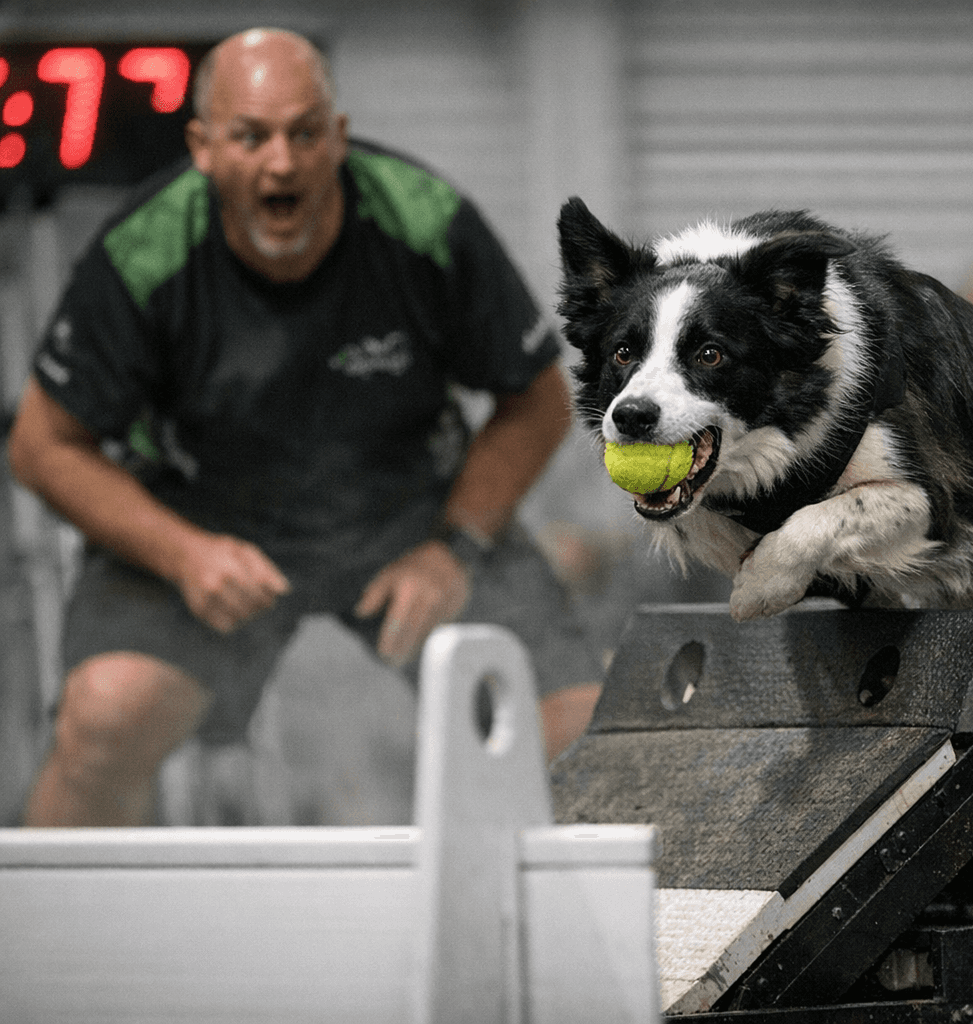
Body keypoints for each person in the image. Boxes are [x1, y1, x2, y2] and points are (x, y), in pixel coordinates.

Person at [7, 28, 602, 828]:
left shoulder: (424, 222)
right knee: (104, 720)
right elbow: (42, 447)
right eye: (251, 137)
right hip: (198, 518)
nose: (281, 163)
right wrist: (182, 554)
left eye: (304, 133)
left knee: (577, 732)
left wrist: (454, 548)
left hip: (408, 511)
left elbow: (538, 399)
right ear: (204, 147)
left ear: (339, 138)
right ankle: (66, 950)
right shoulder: (139, 254)